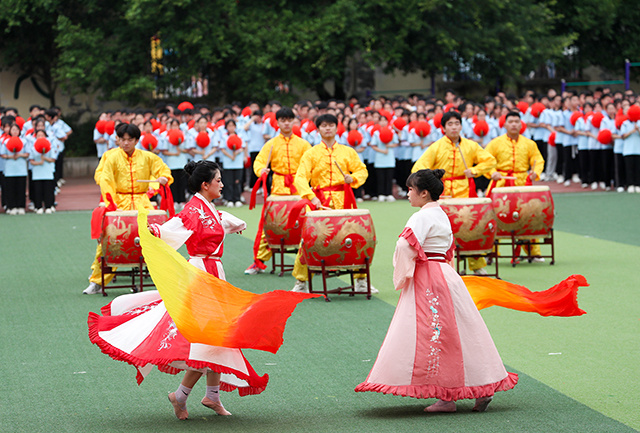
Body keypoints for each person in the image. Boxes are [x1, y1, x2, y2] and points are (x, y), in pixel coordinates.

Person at [89, 160, 266, 420]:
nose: (222, 184)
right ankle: (186, 395)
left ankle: (207, 395)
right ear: (205, 185)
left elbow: (220, 220)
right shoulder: (195, 209)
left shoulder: (208, 208)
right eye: (218, 180)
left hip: (214, 274)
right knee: (209, 337)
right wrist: (154, 231)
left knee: (218, 335)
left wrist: (236, 225)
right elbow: (177, 225)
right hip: (200, 275)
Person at [355, 169, 518, 412]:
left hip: (428, 276)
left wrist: (404, 272)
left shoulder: (421, 217)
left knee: (434, 333)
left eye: (411, 189)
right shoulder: (442, 214)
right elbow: (448, 249)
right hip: (446, 274)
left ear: (424, 192)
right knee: (461, 332)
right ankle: (481, 386)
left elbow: (404, 244)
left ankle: (446, 397)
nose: (408, 193)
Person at [83, 123, 172, 295]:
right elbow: (105, 179)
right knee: (109, 242)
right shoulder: (111, 157)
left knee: (156, 237)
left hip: (142, 202)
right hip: (119, 201)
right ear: (117, 139)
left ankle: (163, 277)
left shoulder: (148, 157)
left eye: (130, 140)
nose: (125, 143)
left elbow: (163, 171)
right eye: (122, 139)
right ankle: (97, 281)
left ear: (137, 140)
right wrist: (111, 203)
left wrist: (163, 178)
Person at [291, 114, 371, 293]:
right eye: (324, 125)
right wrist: (311, 197)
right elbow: (301, 177)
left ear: (337, 128)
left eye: (331, 125)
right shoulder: (311, 153)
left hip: (344, 200)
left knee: (353, 237)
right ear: (318, 129)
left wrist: (353, 178)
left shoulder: (348, 152)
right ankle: (302, 281)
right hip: (319, 202)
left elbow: (362, 170)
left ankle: (360, 280)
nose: (328, 128)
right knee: (310, 239)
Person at [411, 111, 496, 274]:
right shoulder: (436, 147)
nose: (454, 127)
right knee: (443, 230)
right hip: (443, 194)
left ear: (461, 126)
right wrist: (434, 178)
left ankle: (477, 265)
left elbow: (490, 161)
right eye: (450, 124)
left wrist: (475, 170)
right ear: (443, 128)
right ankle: (445, 266)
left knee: (472, 226)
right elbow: (418, 168)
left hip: (465, 191)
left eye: (457, 123)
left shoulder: (470, 145)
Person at [245, 107, 311, 274]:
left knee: (309, 222)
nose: (287, 123)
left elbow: (312, 164)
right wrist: (261, 171)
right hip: (278, 188)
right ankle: (258, 261)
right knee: (268, 223)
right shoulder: (271, 144)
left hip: (299, 188)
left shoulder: (303, 144)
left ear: (294, 121)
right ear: (278, 123)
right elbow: (259, 162)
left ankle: (311, 258)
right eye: (283, 120)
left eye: (290, 120)